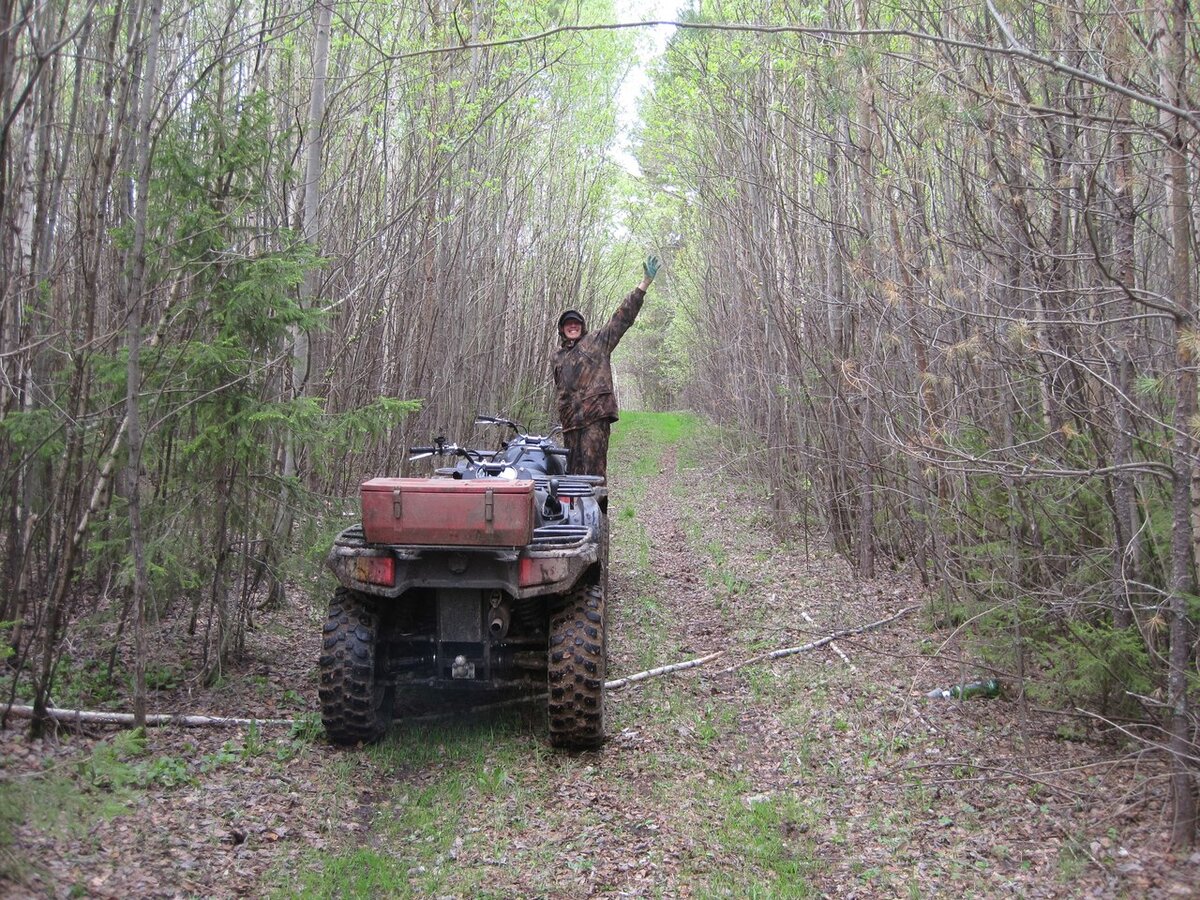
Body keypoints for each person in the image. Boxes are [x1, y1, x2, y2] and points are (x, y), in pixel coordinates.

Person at [553, 255, 660, 480]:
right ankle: (574, 516)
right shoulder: (558, 357)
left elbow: (622, 318)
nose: (572, 326)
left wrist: (643, 286)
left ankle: (599, 516)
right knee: (571, 479)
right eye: (568, 324)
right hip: (570, 425)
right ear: (562, 330)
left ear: (582, 327)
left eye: (576, 323)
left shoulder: (598, 342)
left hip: (595, 420)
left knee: (594, 477)